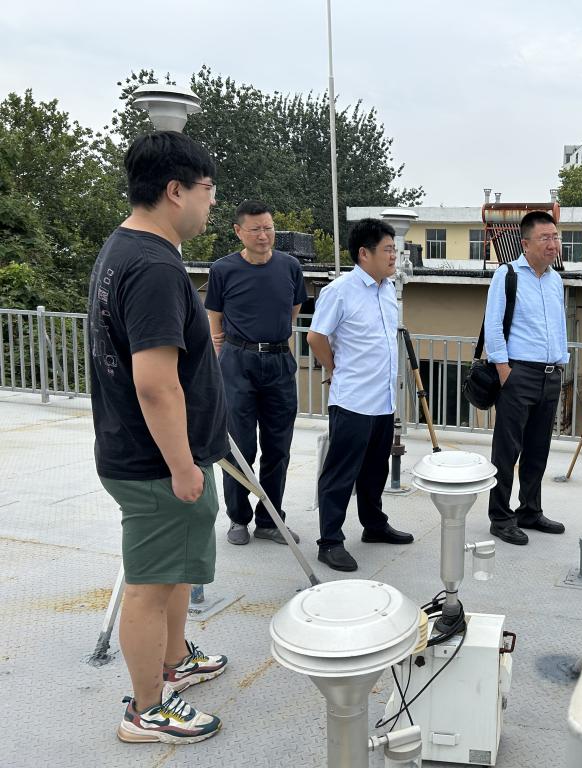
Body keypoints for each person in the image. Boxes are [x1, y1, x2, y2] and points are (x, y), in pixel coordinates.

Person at [87, 131, 227, 744]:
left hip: (151, 455)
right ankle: (146, 709)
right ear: (175, 190)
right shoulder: (153, 267)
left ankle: (175, 660)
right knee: (147, 585)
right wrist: (183, 467)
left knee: (172, 570)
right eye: (207, 190)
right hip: (155, 463)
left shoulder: (126, 247)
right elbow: (155, 384)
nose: (211, 203)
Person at [307, 218, 414, 571]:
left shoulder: (387, 289)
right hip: (352, 400)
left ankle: (374, 525)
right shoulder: (339, 291)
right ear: (364, 253)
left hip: (383, 399)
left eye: (394, 249)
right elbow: (316, 337)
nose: (394, 256)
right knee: (340, 472)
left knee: (374, 469)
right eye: (388, 250)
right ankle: (330, 541)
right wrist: (334, 369)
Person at [205, 200, 307, 546]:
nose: (264, 235)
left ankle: (270, 519)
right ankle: (238, 518)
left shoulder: (290, 266)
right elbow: (215, 314)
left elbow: (293, 308)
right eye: (255, 229)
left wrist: (273, 336)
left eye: (268, 228)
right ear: (239, 232)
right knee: (239, 446)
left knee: (278, 447)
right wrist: (222, 344)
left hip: (278, 362)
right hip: (238, 363)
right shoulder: (223, 269)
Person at [484, 210, 570, 545]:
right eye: (545, 238)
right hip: (518, 373)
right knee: (507, 450)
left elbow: (559, 325)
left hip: (550, 375)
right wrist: (504, 370)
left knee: (538, 449)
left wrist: (561, 362)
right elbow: (493, 325)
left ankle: (530, 510)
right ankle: (500, 517)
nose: (553, 244)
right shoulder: (507, 275)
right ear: (525, 243)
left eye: (555, 237)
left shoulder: (555, 279)